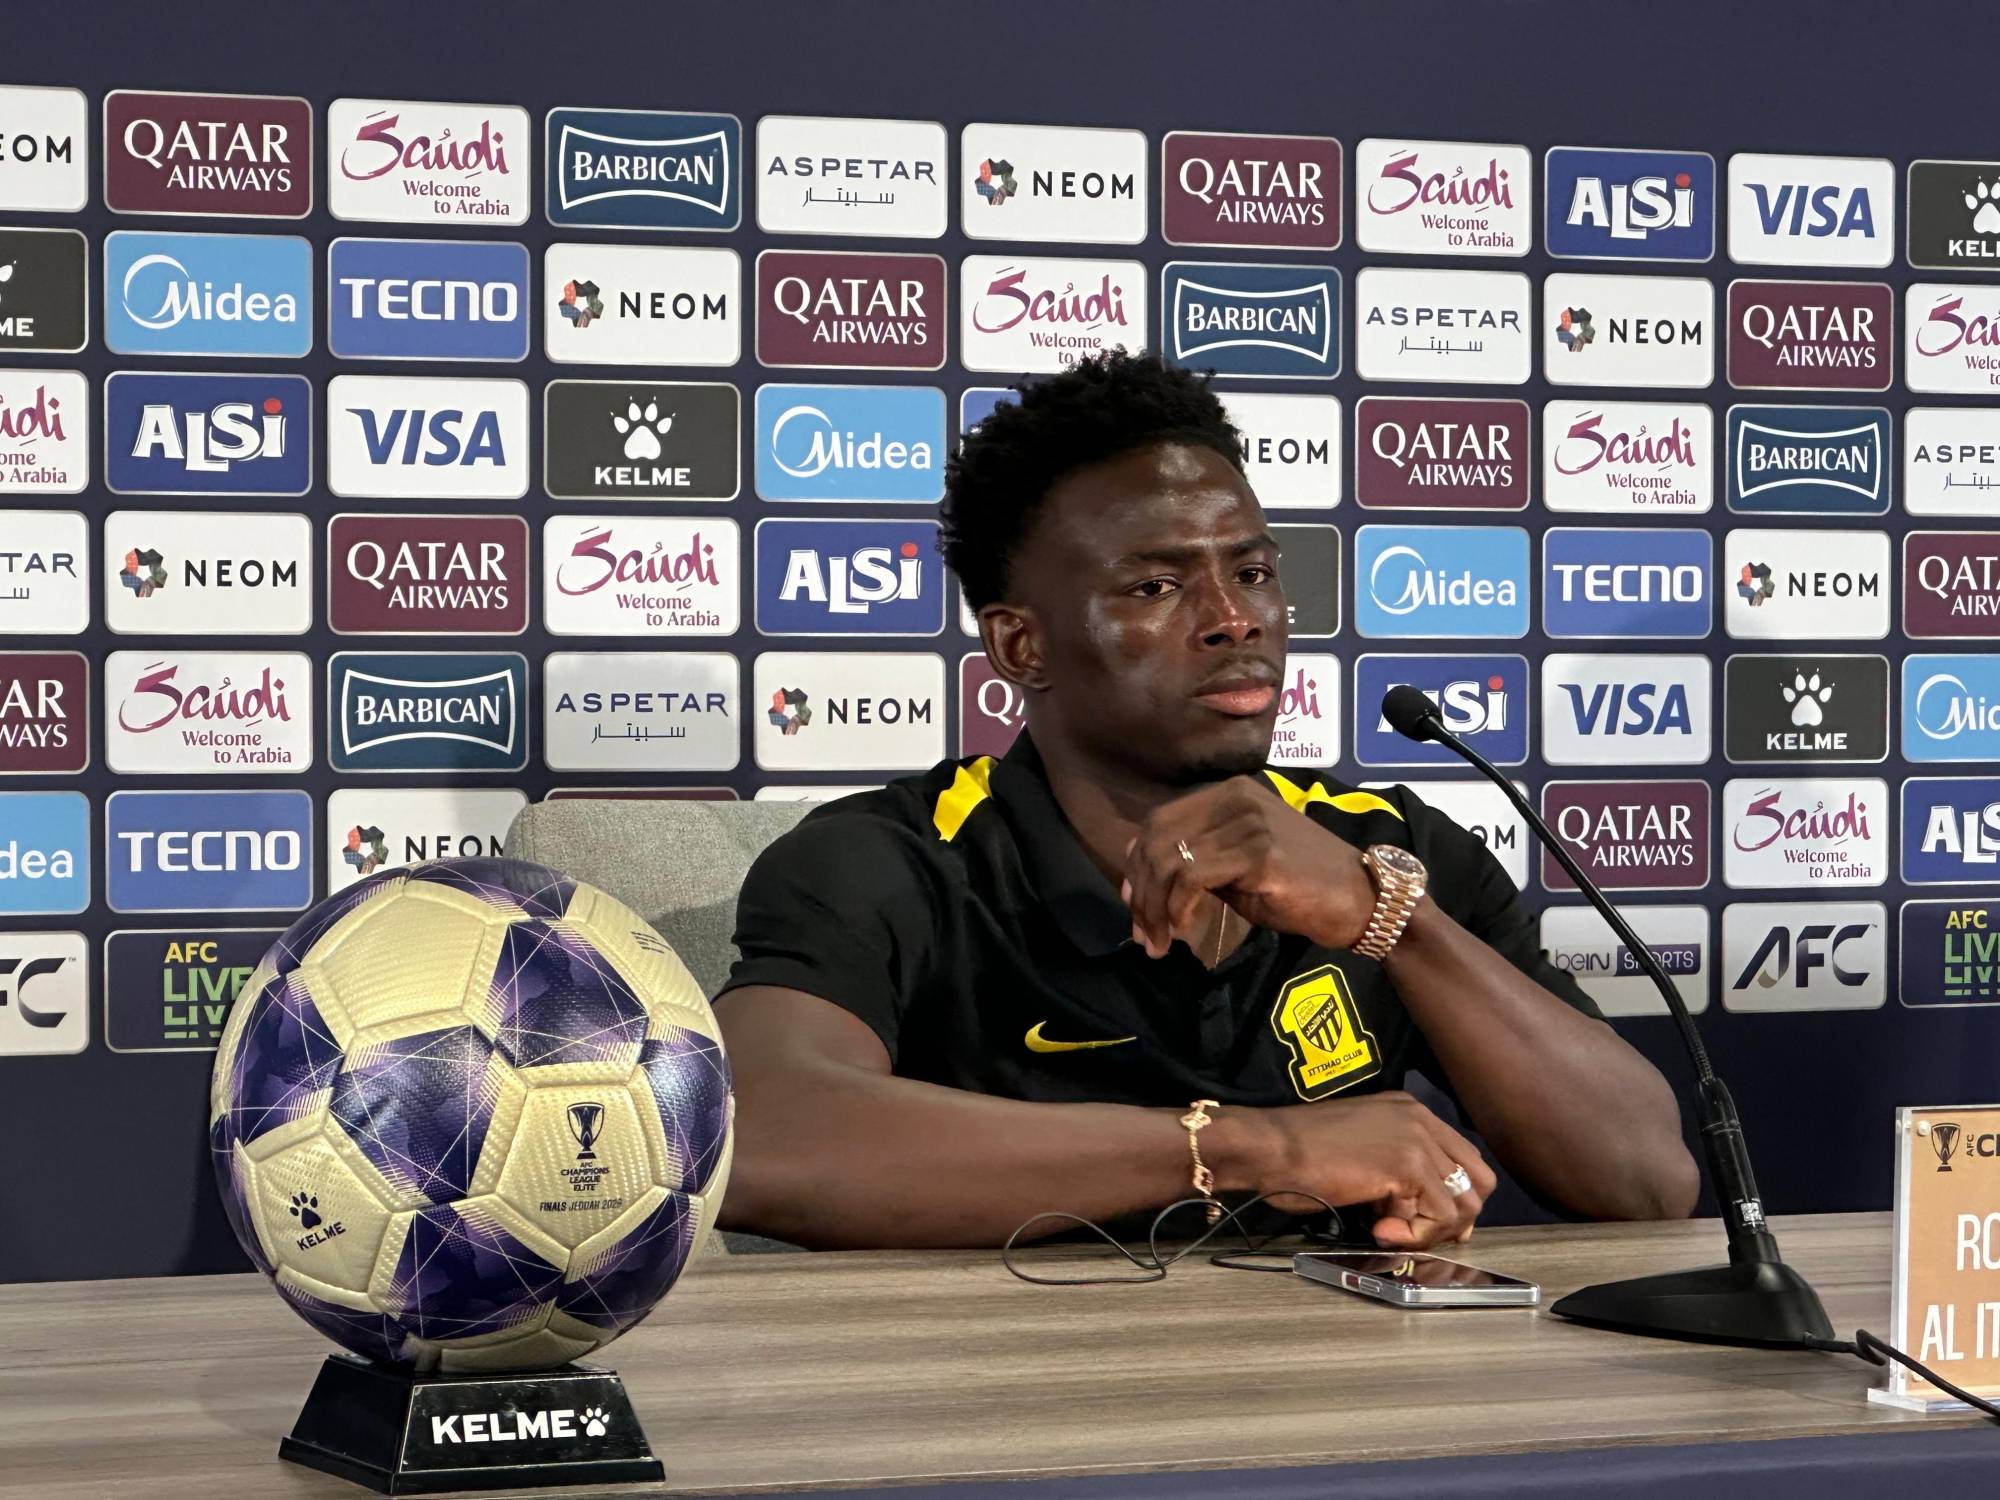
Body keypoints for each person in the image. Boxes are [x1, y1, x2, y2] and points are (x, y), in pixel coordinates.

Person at [715, 349, 1699, 1251]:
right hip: (1002, 1380)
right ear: (1022, 646)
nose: (1234, 619)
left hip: (1337, 1379)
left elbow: (1645, 1183)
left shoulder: (1392, 851)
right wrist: (1256, 1148)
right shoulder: (891, 861)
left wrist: (1391, 921)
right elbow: (750, 1140)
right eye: (1155, 586)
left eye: (1253, 572)